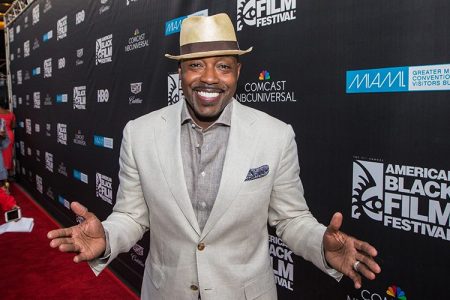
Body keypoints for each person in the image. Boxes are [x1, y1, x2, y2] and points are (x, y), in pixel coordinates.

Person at [48, 13, 381, 299]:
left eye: (222, 66)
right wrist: (106, 236)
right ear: (180, 73)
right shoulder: (140, 133)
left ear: (237, 72)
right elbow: (133, 216)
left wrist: (321, 244)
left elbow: (290, 218)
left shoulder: (275, 135)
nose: (209, 77)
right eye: (196, 65)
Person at [0, 96, 16, 178]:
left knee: (2, 156)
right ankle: (9, 172)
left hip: (2, 135)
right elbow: (13, 126)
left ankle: (4, 175)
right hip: (9, 134)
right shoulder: (10, 113)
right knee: (8, 155)